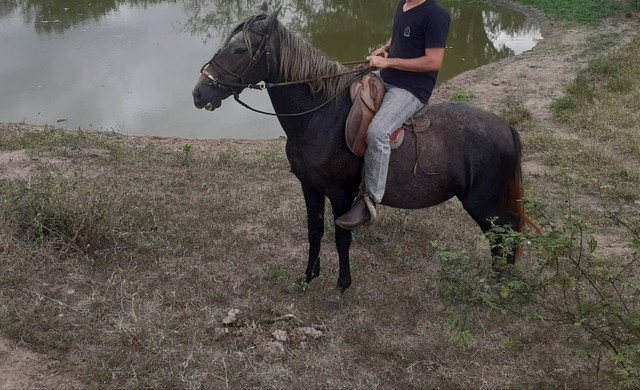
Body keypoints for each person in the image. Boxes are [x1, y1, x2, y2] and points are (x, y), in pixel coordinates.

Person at [335, 0, 450, 230]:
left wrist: (387, 62)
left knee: (377, 133)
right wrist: (386, 48)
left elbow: (433, 61)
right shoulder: (404, 4)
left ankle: (369, 201)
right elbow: (403, 37)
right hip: (388, 77)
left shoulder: (436, 14)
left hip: (411, 90)